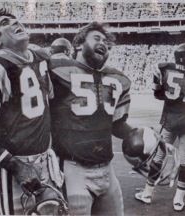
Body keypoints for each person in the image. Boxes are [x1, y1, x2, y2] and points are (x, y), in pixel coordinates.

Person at [0, 9, 63, 215]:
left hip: (46, 162)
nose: (16, 22)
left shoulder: (39, 58)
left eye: (16, 19)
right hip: (15, 168)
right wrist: (16, 167)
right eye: (5, 22)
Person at [48, 21, 133, 216]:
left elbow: (117, 125)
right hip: (72, 169)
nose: (103, 42)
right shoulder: (56, 68)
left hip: (107, 169)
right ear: (78, 44)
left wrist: (142, 136)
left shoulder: (116, 78)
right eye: (96, 38)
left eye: (106, 41)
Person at [135, 43, 185, 211]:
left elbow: (157, 94)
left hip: (169, 121)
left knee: (159, 157)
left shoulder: (164, 68)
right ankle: (178, 199)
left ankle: (147, 193)